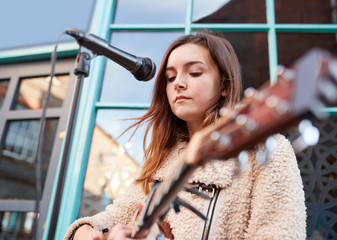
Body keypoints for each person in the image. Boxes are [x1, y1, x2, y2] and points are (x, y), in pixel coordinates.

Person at [64, 32, 306, 240]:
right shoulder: (164, 157)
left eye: (195, 73)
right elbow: (114, 216)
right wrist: (87, 231)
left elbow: (281, 233)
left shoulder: (266, 148)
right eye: (170, 77)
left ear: (224, 86)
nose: (178, 83)